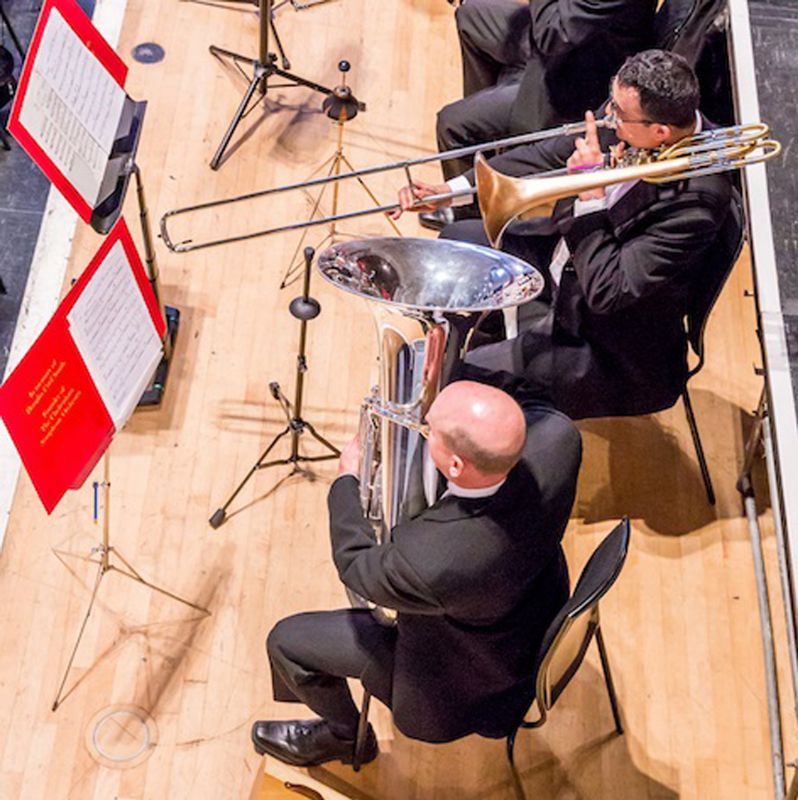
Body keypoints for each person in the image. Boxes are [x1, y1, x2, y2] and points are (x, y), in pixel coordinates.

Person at [395, 50, 741, 420]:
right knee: (457, 240)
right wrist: (450, 190)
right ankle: (461, 336)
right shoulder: (632, 119)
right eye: (612, 101)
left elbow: (609, 290)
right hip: (561, 261)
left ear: (660, 133)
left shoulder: (697, 205)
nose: (609, 116)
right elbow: (549, 153)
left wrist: (590, 197)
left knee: (466, 377)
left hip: (602, 338)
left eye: (619, 115)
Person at [251, 381, 581, 766]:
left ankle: (344, 738)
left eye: (429, 431)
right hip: (531, 613)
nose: (424, 432)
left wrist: (347, 478)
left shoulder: (434, 560)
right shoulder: (559, 438)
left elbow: (357, 566)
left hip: (460, 679)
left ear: (457, 465)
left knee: (286, 642)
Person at [433, 0, 656, 192]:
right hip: (569, 47)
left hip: (579, 83)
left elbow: (552, 33)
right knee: (472, 16)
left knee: (452, 124)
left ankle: (471, 213)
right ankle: (489, 149)